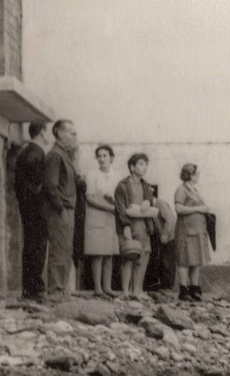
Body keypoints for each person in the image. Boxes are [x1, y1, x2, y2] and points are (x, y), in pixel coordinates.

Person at [43, 119, 80, 299]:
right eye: (71, 133)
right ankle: (55, 291)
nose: (75, 137)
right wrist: (60, 207)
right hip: (61, 210)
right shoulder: (55, 155)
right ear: (59, 133)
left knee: (66, 250)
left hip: (67, 209)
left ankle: (61, 289)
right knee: (59, 250)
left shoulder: (64, 155)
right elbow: (50, 185)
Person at [15, 121, 51, 302]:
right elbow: (38, 182)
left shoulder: (24, 152)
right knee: (37, 246)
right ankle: (35, 287)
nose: (48, 135)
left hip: (26, 205)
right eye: (47, 131)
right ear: (42, 132)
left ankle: (29, 288)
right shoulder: (37, 153)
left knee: (30, 246)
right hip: (36, 206)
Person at [115, 153, 158, 300]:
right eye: (141, 164)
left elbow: (152, 201)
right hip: (129, 225)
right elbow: (121, 208)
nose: (144, 167)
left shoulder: (146, 186)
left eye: (146, 164)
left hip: (144, 226)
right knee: (128, 256)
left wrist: (148, 202)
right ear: (132, 167)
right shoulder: (122, 186)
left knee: (143, 258)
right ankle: (125, 292)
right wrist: (125, 226)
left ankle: (137, 291)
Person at [84, 145, 120, 297]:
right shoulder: (92, 175)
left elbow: (118, 197)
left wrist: (115, 204)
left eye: (105, 155)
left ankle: (107, 287)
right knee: (98, 253)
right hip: (96, 217)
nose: (102, 158)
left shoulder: (116, 175)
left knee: (109, 254)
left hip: (110, 219)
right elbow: (90, 198)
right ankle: (98, 289)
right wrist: (109, 207)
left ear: (111, 158)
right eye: (99, 156)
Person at [174, 164, 213, 302]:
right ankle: (183, 289)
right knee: (185, 259)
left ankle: (194, 288)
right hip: (186, 230)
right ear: (189, 174)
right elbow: (178, 209)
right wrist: (198, 209)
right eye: (196, 173)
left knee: (196, 259)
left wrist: (204, 209)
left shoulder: (195, 190)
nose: (198, 176)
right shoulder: (181, 190)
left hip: (198, 231)